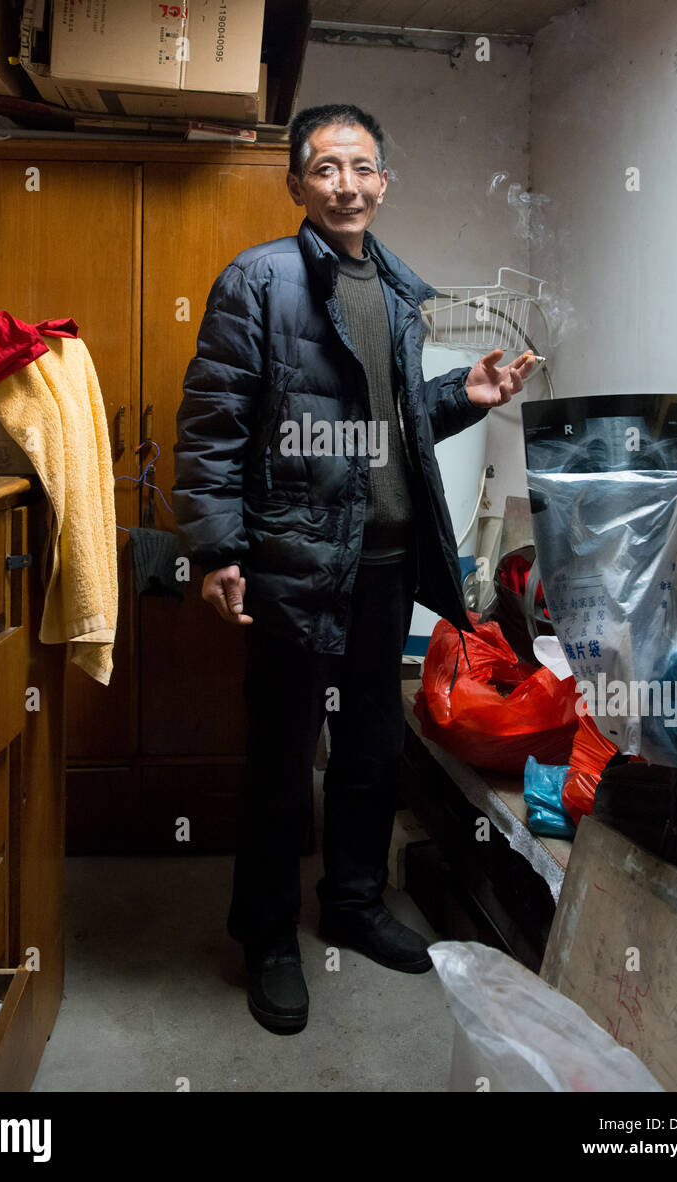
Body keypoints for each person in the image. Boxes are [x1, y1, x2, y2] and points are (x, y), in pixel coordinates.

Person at [173, 103, 533, 1034]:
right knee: (285, 762)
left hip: (384, 564)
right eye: (326, 168)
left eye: (363, 168)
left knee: (373, 748)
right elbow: (212, 423)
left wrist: (466, 395)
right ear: (296, 183)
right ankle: (265, 935)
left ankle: (354, 903)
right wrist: (216, 547)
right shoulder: (258, 281)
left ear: (383, 182)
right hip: (295, 567)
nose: (347, 185)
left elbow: (393, 421)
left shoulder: (399, 291)